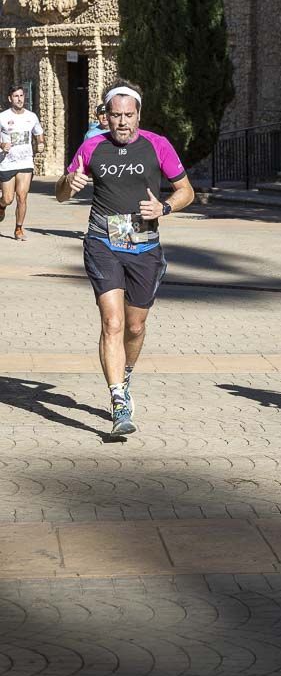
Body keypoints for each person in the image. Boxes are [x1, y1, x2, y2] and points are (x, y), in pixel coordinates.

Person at [55, 80, 195, 438]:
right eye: (115, 115)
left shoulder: (157, 145)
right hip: (102, 241)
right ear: (107, 116)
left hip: (144, 245)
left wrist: (164, 207)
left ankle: (126, 373)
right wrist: (68, 184)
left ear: (138, 115)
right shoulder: (92, 146)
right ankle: (118, 399)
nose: (122, 122)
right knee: (112, 323)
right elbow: (61, 193)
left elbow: (186, 191)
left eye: (128, 115)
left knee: (134, 327)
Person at [0, 83, 45, 241]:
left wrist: (40, 143)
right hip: (7, 162)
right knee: (8, 198)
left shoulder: (31, 116)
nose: (19, 99)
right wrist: (2, 145)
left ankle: (18, 229)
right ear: (10, 99)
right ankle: (1, 206)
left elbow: (39, 133)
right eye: (15, 96)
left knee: (22, 196)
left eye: (21, 96)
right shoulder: (2, 117)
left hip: (25, 162)